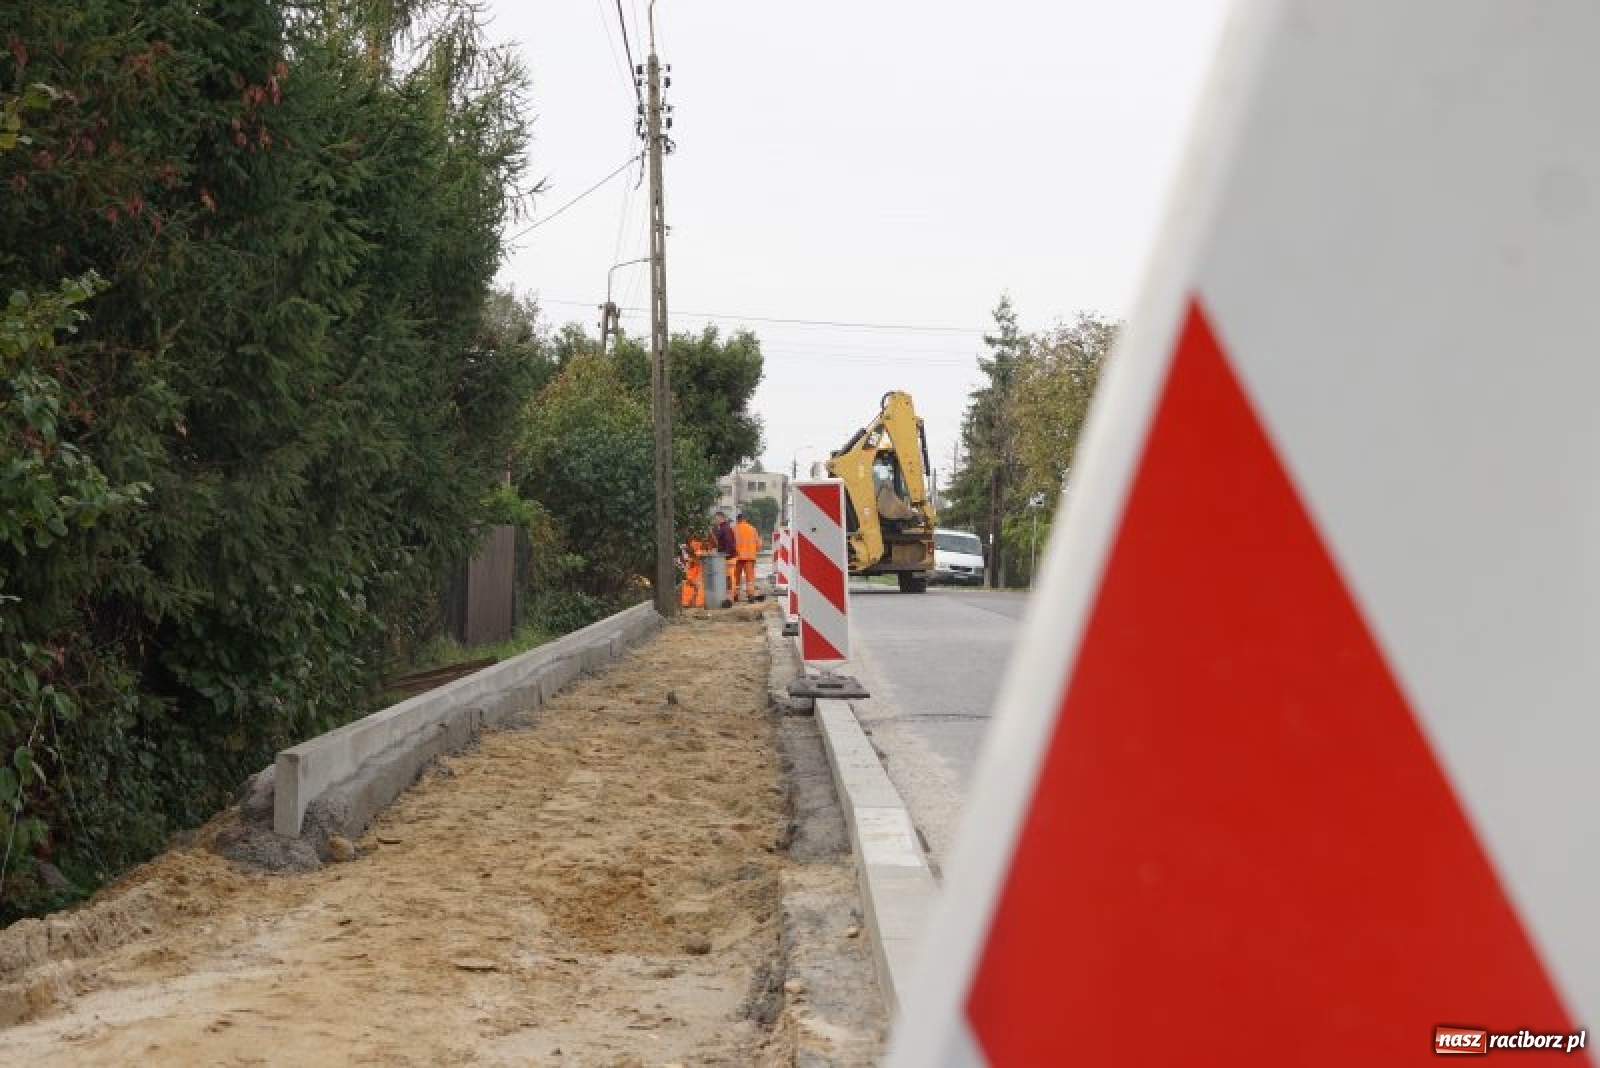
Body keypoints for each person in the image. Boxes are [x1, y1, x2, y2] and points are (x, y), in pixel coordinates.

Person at [732, 510, 762, 602]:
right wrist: (752, 551)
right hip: (749, 557)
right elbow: (759, 545)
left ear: (738, 519)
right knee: (750, 578)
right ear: (745, 519)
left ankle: (735, 595)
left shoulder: (733, 529)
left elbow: (730, 544)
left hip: (737, 558)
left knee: (736, 577)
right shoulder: (752, 529)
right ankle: (750, 595)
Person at [712, 511, 737, 606]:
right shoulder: (724, 528)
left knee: (729, 578)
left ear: (721, 518)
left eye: (716, 518)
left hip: (729, 557)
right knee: (728, 577)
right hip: (728, 556)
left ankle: (730, 598)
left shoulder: (725, 528)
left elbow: (729, 542)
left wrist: (726, 554)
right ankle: (729, 597)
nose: (715, 521)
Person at [679, 535, 706, 608]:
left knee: (698, 584)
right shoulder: (690, 548)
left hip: (698, 568)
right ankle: (688, 603)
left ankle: (696, 603)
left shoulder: (699, 550)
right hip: (693, 568)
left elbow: (698, 559)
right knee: (689, 583)